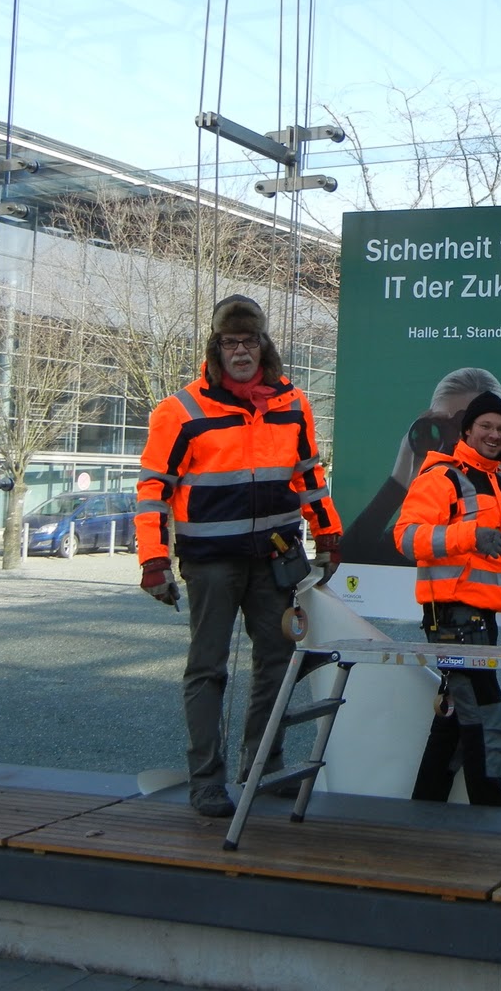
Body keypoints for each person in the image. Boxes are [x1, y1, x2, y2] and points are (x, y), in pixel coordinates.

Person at [135, 294, 343, 818]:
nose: (241, 351)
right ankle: (207, 780)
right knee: (207, 669)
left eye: (249, 341)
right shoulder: (180, 411)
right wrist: (153, 561)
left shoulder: (292, 404)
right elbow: (153, 489)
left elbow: (309, 475)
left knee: (278, 662)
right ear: (216, 348)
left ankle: (262, 766)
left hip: (274, 556)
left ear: (264, 345)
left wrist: (328, 533)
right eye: (231, 342)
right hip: (211, 561)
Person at [393, 391, 501, 807]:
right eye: (486, 426)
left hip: (481, 618)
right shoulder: (441, 476)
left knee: (457, 717)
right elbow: (406, 537)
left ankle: (424, 808)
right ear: (467, 430)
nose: (494, 434)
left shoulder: (499, 483)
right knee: (486, 715)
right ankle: (491, 806)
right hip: (452, 618)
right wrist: (470, 536)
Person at [341, 367, 501, 576]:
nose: (459, 439)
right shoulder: (421, 523)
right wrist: (401, 477)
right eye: (444, 426)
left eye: (486, 426)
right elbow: (347, 561)